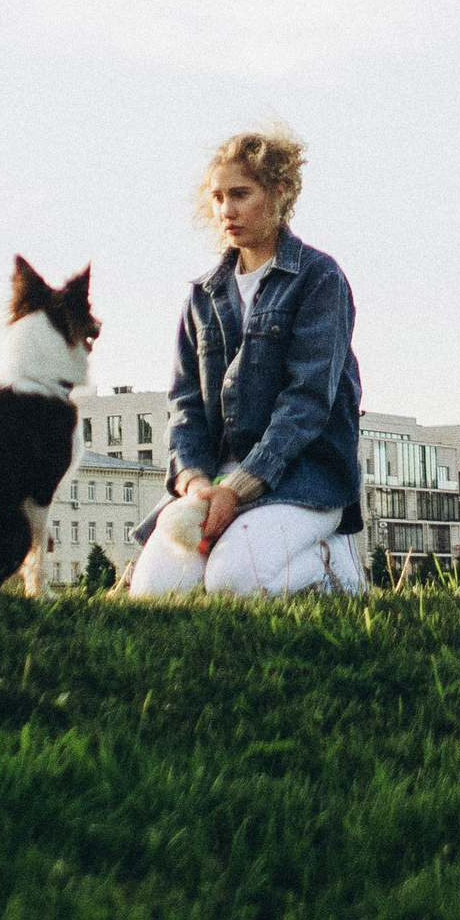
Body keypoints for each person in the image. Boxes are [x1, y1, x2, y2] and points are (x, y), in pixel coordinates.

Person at [127, 127, 367, 597]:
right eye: (218, 197)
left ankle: (331, 562)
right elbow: (185, 405)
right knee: (153, 594)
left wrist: (238, 488)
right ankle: (243, 540)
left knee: (233, 582)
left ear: (279, 193)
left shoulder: (319, 279)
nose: (226, 210)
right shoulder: (203, 295)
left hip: (302, 479)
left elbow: (307, 402)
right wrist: (197, 484)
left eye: (241, 194)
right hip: (215, 484)